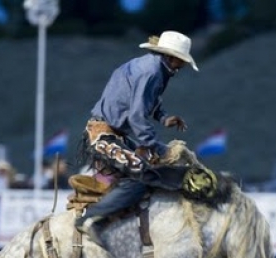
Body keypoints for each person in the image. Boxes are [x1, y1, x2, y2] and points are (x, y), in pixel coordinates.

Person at [75, 31, 199, 246]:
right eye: (182, 61)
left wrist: (164, 117)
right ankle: (91, 219)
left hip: (114, 134)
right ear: (173, 57)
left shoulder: (150, 66)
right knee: (142, 177)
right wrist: (152, 145)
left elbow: (146, 101)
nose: (182, 66)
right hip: (104, 136)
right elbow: (136, 115)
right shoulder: (152, 72)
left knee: (153, 163)